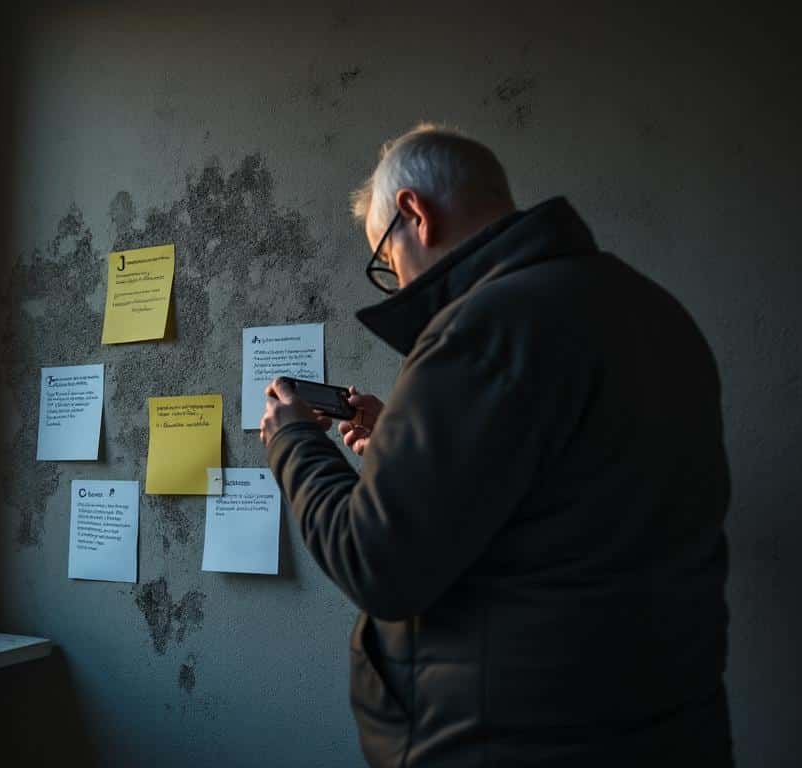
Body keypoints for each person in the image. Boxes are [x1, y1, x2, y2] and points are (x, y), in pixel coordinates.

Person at [259, 125, 732, 767]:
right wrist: (404, 437)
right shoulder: (651, 311)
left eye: (384, 261)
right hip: (662, 726)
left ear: (413, 214)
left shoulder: (484, 326)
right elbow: (558, 491)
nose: (395, 284)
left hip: (516, 742)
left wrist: (293, 443)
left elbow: (376, 561)